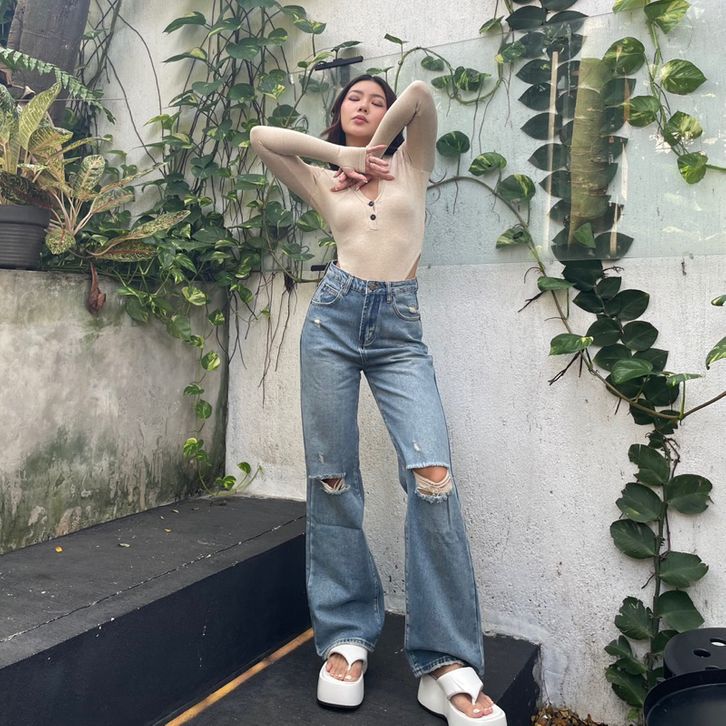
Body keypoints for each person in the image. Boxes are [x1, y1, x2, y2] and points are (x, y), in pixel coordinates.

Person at [250, 74, 507, 725]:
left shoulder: (412, 163)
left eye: (374, 99)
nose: (364, 106)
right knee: (332, 477)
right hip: (332, 322)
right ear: (338, 113)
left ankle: (446, 661)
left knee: (433, 479)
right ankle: (346, 635)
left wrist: (376, 150)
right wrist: (341, 158)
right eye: (353, 100)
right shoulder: (324, 182)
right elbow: (261, 138)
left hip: (399, 332)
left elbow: (418, 94)